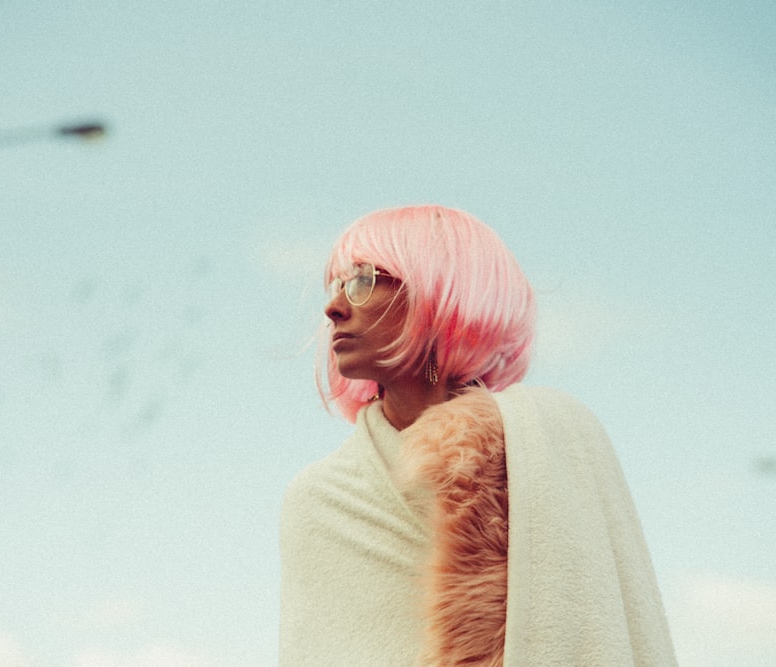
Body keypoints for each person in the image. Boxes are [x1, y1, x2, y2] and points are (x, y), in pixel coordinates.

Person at [279, 205, 675, 666]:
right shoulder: (320, 499)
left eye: (364, 280)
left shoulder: (552, 443)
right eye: (337, 285)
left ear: (438, 292)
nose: (333, 307)